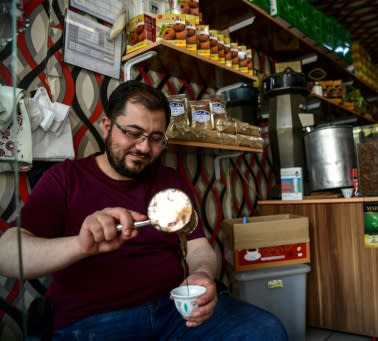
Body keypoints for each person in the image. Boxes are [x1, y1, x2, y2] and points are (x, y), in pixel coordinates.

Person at [0, 81, 287, 340]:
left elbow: (199, 246)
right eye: (133, 133)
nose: (143, 147)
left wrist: (201, 274)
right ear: (107, 126)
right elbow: (8, 256)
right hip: (95, 322)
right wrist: (79, 245)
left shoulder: (170, 181)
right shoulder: (65, 178)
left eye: (155, 138)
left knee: (266, 330)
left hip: (173, 310)